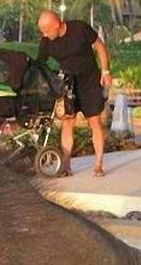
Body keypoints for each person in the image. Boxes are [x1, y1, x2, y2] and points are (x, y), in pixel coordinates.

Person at [36, 10, 111, 177]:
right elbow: (40, 65)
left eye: (47, 30)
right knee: (68, 122)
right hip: (68, 84)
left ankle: (98, 165)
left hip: (90, 81)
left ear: (57, 24)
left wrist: (105, 71)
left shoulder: (79, 28)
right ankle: (66, 165)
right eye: (42, 31)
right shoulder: (46, 42)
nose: (45, 35)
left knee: (94, 121)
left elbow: (99, 46)